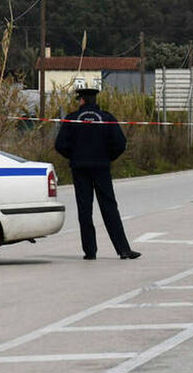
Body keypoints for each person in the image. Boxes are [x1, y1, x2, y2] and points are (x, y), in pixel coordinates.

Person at [55, 87, 141, 260]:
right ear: (95, 101)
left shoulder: (72, 119)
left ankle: (90, 251)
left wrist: (74, 156)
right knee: (109, 207)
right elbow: (120, 144)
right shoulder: (107, 118)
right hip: (101, 167)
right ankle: (123, 249)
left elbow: (60, 145)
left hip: (79, 168)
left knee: (84, 209)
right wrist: (107, 158)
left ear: (82, 100)